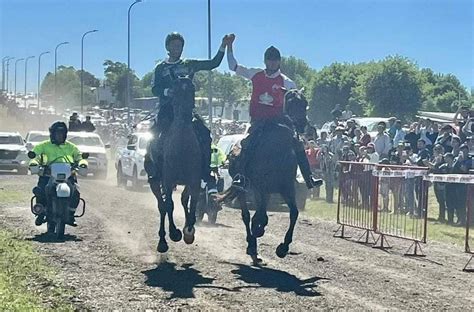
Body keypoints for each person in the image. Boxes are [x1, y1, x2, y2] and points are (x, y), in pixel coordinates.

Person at [226, 34, 321, 189]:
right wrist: (229, 47)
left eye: (275, 60)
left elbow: (297, 103)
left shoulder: (288, 82)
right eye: (270, 60)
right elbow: (233, 66)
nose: (272, 62)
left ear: (279, 62)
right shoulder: (255, 74)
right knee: (248, 144)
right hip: (258, 121)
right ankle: (241, 178)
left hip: (278, 121)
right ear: (265, 61)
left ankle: (308, 178)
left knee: (297, 145)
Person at [145, 32, 230, 191]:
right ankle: (155, 170)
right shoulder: (160, 68)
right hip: (167, 111)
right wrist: (166, 92)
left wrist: (223, 46)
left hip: (187, 111)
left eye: (179, 45)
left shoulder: (189, 64)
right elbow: (154, 88)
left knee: (205, 134)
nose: (177, 48)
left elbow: (213, 63)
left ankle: (206, 169)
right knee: (155, 137)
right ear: (168, 47)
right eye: (173, 45)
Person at [29, 121, 88, 227]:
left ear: (65, 134)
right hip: (48, 175)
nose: (60, 136)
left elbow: (79, 157)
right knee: (40, 190)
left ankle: (70, 214)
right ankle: (41, 212)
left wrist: (82, 163)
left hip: (68, 175)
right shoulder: (43, 146)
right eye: (57, 133)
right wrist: (34, 163)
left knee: (76, 192)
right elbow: (35, 156)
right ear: (52, 134)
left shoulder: (71, 147)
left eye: (62, 133)